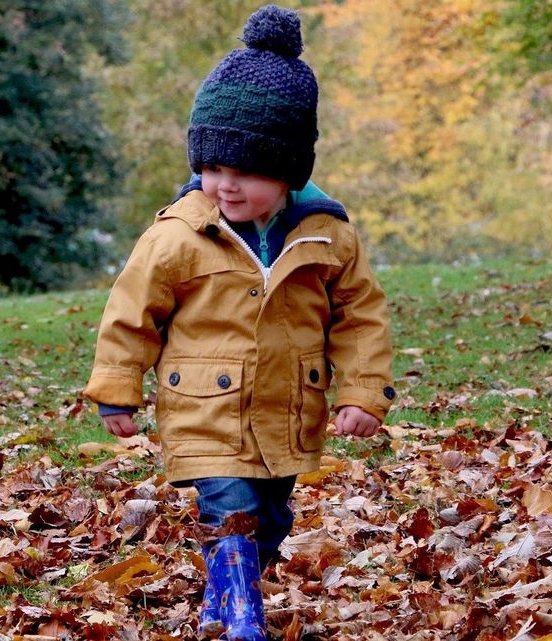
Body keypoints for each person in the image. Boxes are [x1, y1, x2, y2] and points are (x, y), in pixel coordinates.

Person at [82, 5, 395, 639]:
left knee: (272, 518)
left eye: (245, 171)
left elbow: (359, 317)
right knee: (231, 507)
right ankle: (242, 619)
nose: (225, 184)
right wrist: (117, 388)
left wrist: (363, 392)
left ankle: (224, 598)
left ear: (287, 172)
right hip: (203, 407)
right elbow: (132, 310)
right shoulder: (179, 235)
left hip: (286, 410)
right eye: (213, 167)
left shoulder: (327, 237)